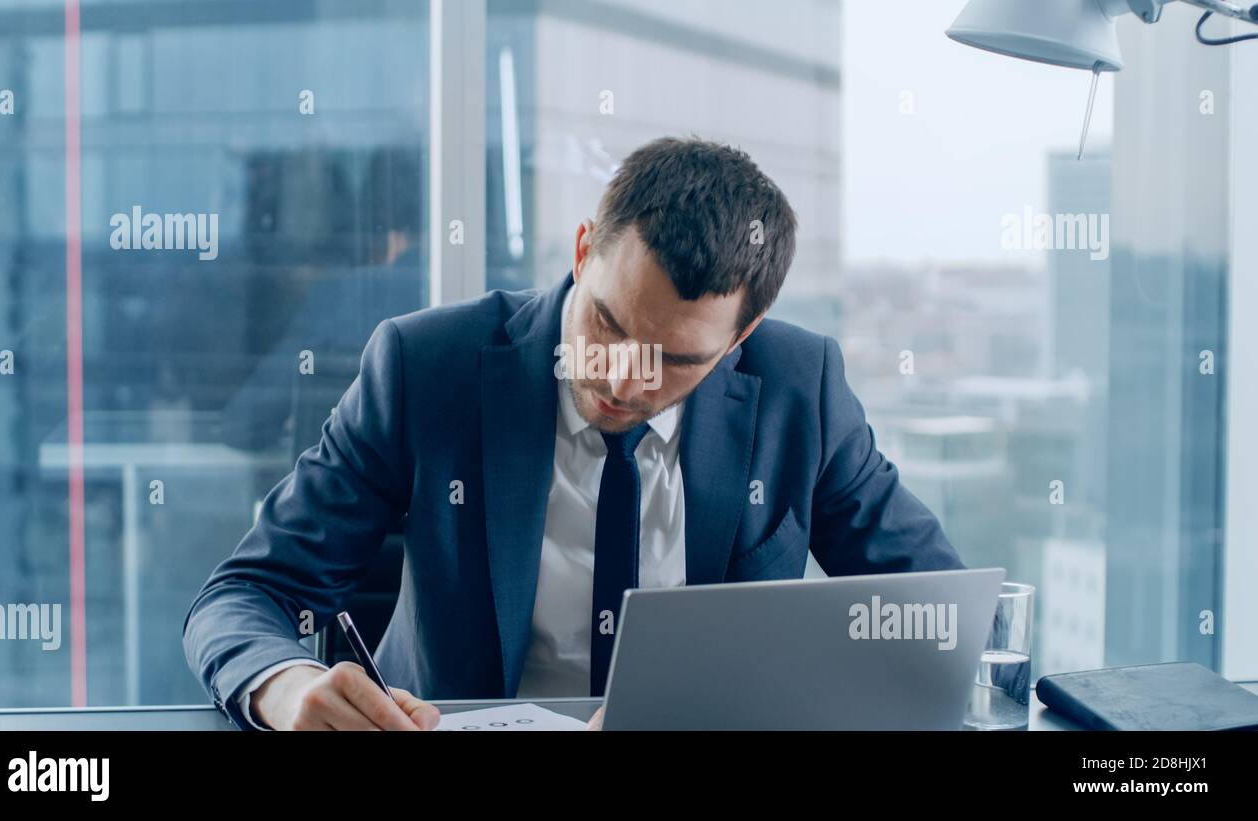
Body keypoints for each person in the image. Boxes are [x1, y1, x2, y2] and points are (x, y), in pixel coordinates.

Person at [183, 136, 964, 731]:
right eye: (608, 323)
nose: (623, 378)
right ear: (585, 250)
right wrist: (285, 687)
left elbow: (936, 618)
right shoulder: (427, 366)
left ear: (740, 338)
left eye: (674, 360)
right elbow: (246, 592)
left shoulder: (803, 388)